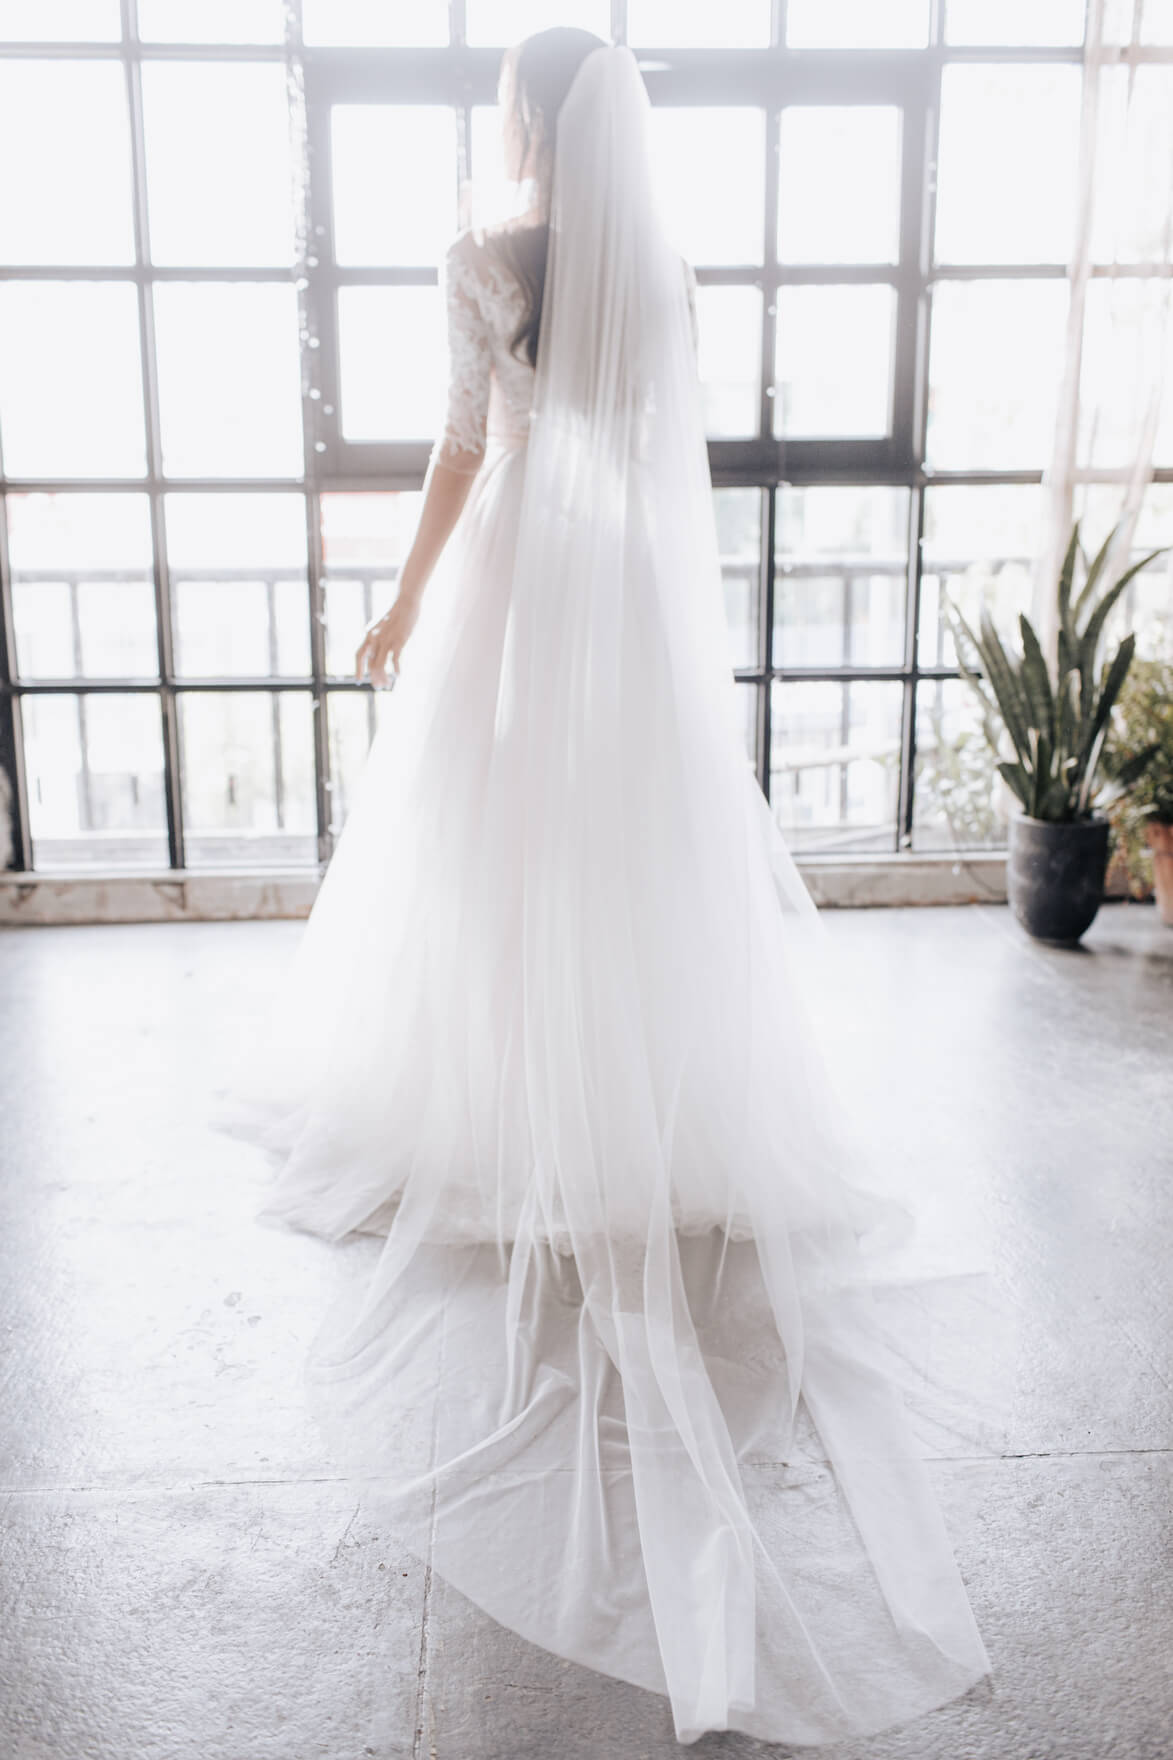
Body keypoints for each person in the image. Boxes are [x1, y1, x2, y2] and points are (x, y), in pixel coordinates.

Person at [224, 29, 992, 1747]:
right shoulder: (659, 274)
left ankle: (504, 1097)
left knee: (490, 861)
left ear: (525, 120)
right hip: (626, 613)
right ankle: (629, 1097)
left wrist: (411, 608)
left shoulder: (485, 259)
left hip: (513, 589)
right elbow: (653, 463)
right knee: (628, 864)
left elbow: (456, 453)